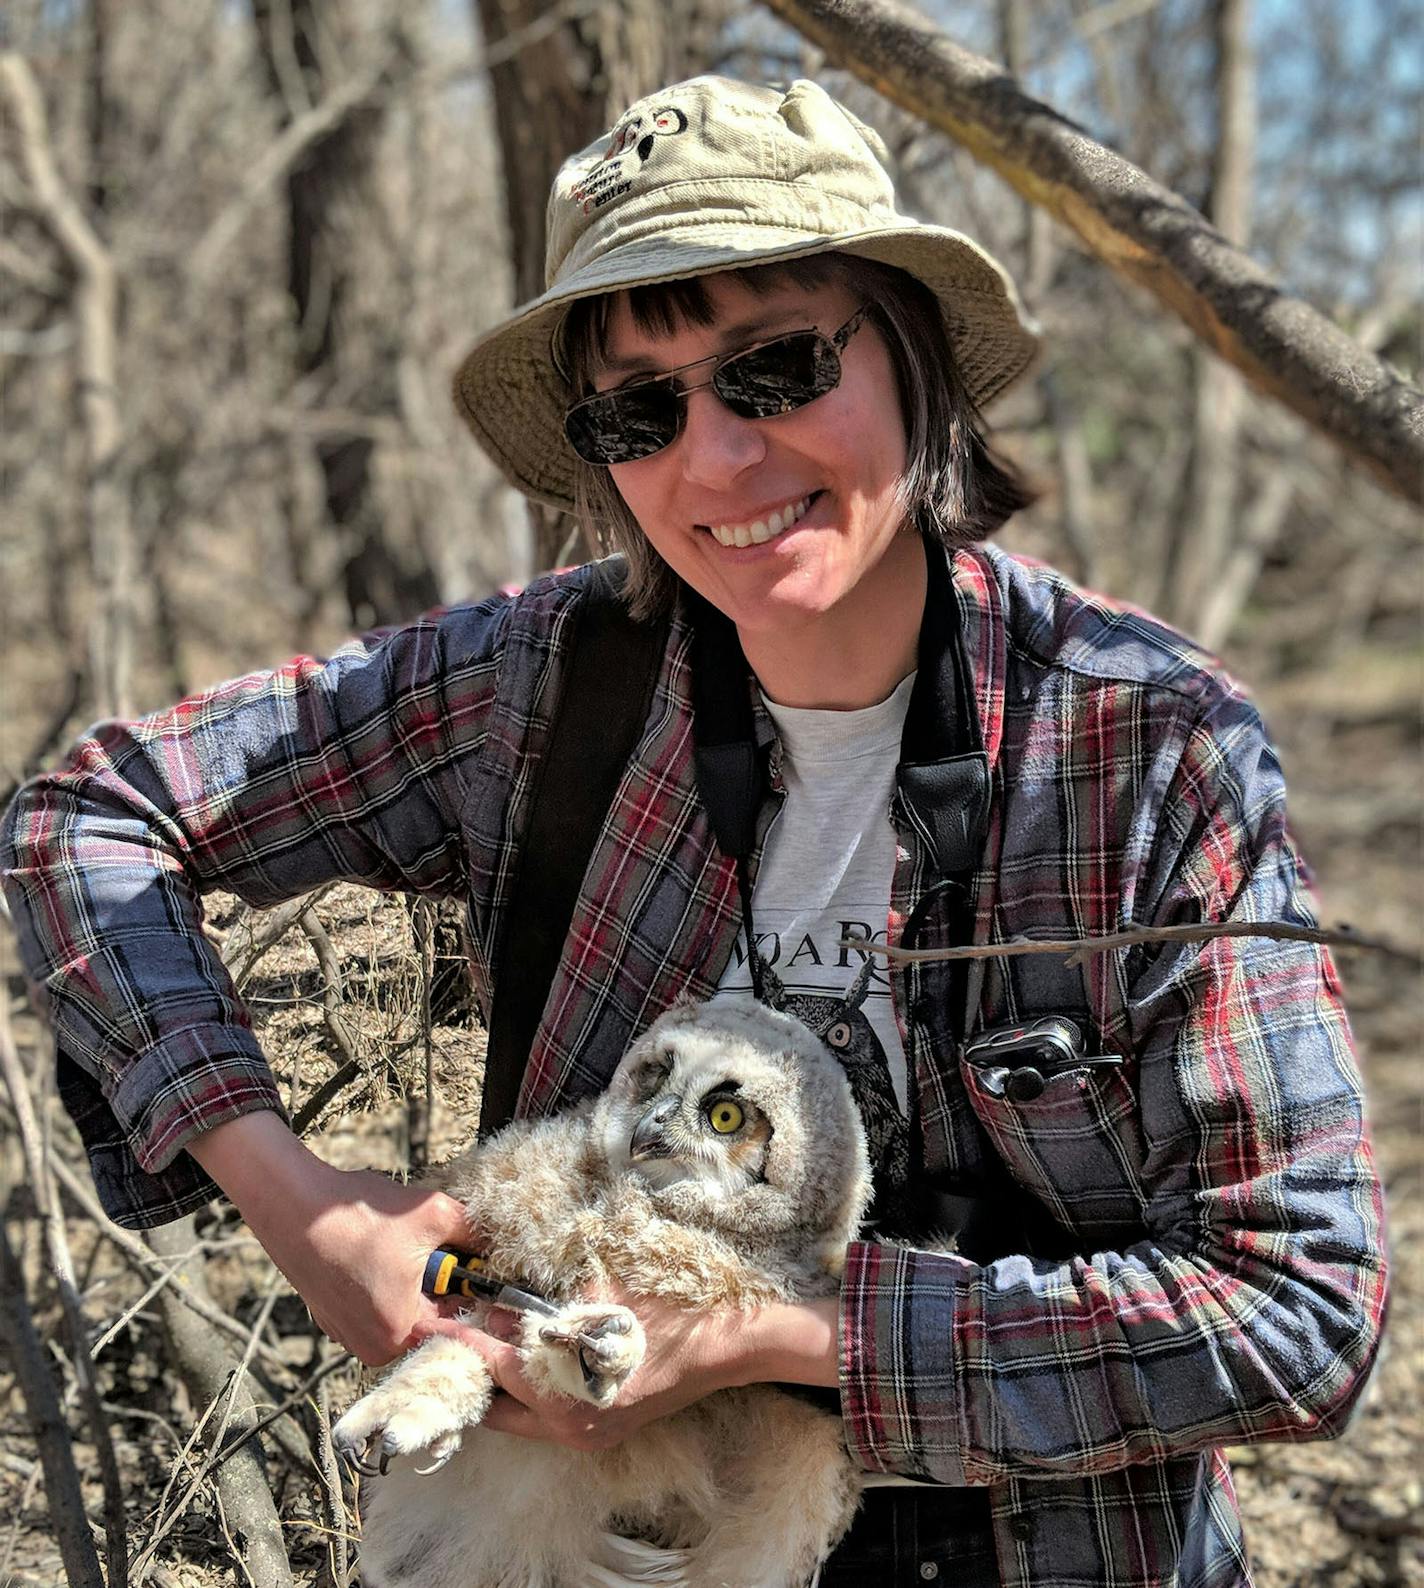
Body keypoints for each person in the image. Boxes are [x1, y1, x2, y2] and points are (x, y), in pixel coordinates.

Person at [1, 76, 1386, 1586]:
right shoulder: (537, 689)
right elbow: (85, 814)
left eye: (778, 367)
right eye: (640, 408)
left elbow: (1299, 1314)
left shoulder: (1145, 744)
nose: (718, 457)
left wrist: (767, 1342)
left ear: (914, 362)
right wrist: (309, 1211)